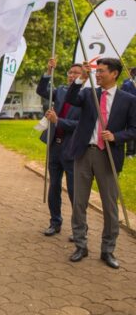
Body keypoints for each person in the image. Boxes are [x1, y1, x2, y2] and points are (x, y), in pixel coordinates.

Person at [65, 58, 136, 269]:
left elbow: (134, 129)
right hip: (84, 154)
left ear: (114, 74)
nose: (98, 74)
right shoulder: (89, 94)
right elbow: (70, 99)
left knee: (109, 206)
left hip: (108, 157)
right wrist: (82, 77)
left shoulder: (128, 99)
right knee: (79, 203)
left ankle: (108, 250)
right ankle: (80, 245)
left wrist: (116, 136)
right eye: (97, 71)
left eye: (102, 71)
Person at [36, 59, 81, 238]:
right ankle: (55, 222)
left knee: (73, 190)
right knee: (54, 186)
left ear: (84, 76)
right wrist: (48, 71)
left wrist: (59, 121)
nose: (71, 76)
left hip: (73, 148)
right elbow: (41, 90)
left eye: (76, 73)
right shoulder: (61, 90)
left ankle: (79, 228)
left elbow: (82, 124)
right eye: (70, 73)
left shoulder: (88, 95)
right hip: (55, 145)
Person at [121, 67, 136, 157]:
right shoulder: (127, 84)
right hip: (130, 109)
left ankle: (134, 151)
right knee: (131, 129)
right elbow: (123, 96)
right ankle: (129, 152)